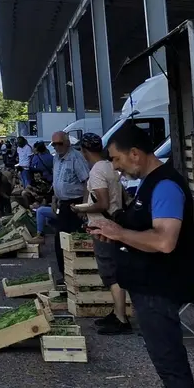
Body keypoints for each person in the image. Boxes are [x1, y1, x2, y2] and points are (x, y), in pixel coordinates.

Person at [89, 124, 194, 388]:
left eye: (118, 159)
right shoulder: (151, 184)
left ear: (136, 153)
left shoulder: (165, 185)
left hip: (159, 289)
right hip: (149, 287)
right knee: (167, 365)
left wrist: (119, 232)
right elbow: (144, 232)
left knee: (172, 367)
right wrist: (116, 232)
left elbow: (165, 241)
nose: (116, 167)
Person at [72, 133, 130, 335]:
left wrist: (80, 209)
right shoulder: (110, 166)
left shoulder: (97, 171)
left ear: (84, 151)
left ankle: (121, 319)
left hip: (103, 227)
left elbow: (103, 203)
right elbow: (121, 197)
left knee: (110, 274)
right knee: (114, 270)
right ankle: (117, 313)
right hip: (115, 224)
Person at [44, 131, 90, 286]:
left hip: (75, 203)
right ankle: (65, 275)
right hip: (62, 203)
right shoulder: (57, 158)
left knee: (73, 240)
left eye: (60, 144)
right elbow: (57, 181)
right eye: (54, 144)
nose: (57, 147)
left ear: (67, 143)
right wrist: (54, 198)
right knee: (61, 241)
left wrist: (83, 206)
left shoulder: (76, 158)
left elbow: (87, 182)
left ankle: (76, 276)